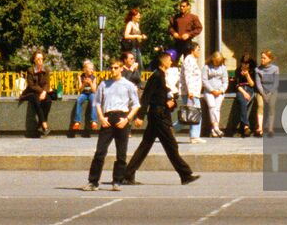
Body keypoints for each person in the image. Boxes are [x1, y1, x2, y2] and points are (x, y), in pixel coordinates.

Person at [123, 51, 199, 186]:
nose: (171, 62)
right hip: (158, 116)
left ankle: (128, 174)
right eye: (169, 60)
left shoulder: (162, 76)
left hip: (159, 114)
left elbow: (162, 96)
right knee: (171, 145)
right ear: (164, 61)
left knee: (145, 146)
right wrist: (140, 116)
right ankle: (185, 174)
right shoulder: (156, 76)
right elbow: (146, 96)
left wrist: (171, 102)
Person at [82, 58, 140, 192]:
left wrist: (127, 119)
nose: (113, 70)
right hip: (107, 118)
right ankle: (93, 181)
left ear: (121, 69)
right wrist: (101, 117)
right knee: (100, 152)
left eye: (115, 68)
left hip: (121, 118)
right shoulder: (104, 84)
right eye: (111, 68)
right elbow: (97, 102)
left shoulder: (128, 85)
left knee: (121, 153)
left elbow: (136, 104)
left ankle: (117, 181)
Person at [18, 51, 53, 138]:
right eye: (38, 59)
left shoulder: (46, 70)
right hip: (32, 92)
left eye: (41, 59)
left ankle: (40, 123)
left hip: (42, 92)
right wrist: (42, 92)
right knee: (36, 100)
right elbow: (31, 85)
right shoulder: (30, 70)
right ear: (34, 60)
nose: (40, 61)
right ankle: (44, 123)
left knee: (48, 100)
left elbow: (47, 83)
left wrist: (44, 92)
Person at [180, 43, 205, 143]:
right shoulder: (189, 60)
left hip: (193, 91)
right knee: (195, 113)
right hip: (191, 92)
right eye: (198, 49)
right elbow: (188, 76)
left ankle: (170, 129)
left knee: (189, 114)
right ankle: (194, 136)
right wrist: (190, 91)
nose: (199, 51)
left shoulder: (192, 60)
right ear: (192, 50)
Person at [254, 49, 280, 137]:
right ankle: (260, 128)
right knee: (260, 106)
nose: (262, 59)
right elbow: (258, 83)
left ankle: (270, 129)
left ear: (269, 59)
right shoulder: (257, 69)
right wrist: (264, 94)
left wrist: (270, 93)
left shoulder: (275, 69)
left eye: (264, 58)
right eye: (261, 58)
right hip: (261, 91)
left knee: (271, 106)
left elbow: (276, 83)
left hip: (272, 91)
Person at [203, 51, 228, 138]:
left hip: (219, 91)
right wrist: (212, 90)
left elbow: (225, 81)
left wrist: (221, 90)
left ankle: (214, 129)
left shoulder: (223, 68)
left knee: (217, 109)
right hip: (209, 91)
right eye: (216, 61)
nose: (217, 63)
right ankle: (216, 128)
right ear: (212, 59)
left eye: (219, 61)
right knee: (212, 106)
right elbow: (204, 80)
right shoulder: (206, 67)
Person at [231, 53, 257, 136]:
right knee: (242, 101)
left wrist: (247, 75)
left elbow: (252, 84)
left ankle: (243, 126)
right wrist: (244, 93)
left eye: (246, 63)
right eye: (243, 63)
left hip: (249, 89)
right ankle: (246, 126)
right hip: (241, 89)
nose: (244, 65)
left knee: (243, 103)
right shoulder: (238, 70)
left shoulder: (253, 71)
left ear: (249, 64)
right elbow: (237, 85)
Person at [71, 59, 98, 137]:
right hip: (84, 93)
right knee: (79, 100)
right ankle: (77, 121)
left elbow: (94, 90)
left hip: (91, 93)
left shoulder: (94, 77)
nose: (92, 71)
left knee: (93, 100)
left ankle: (94, 121)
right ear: (85, 70)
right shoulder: (81, 77)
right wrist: (84, 84)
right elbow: (79, 89)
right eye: (90, 69)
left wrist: (90, 83)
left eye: (92, 69)